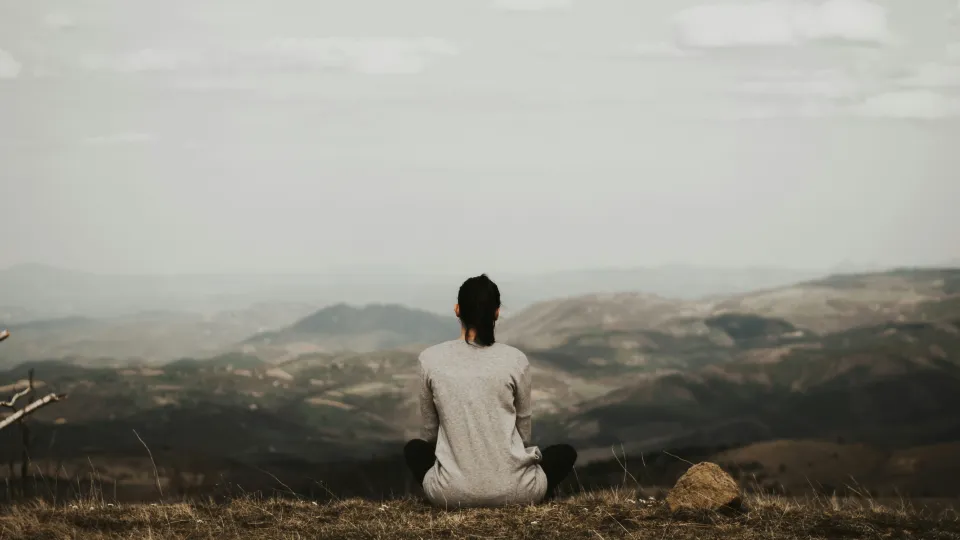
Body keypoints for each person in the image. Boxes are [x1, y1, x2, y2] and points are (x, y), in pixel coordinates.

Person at [404, 274, 577, 508]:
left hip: (450, 494)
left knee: (414, 449)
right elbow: (523, 435)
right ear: (496, 313)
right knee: (564, 453)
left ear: (457, 310)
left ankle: (457, 487)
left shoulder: (429, 360)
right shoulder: (516, 359)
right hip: (518, 492)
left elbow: (431, 434)